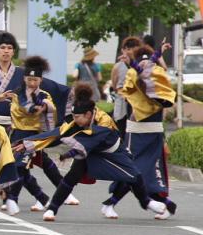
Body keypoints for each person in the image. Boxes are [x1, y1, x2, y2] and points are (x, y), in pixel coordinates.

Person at [14, 84, 166, 222]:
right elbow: (57, 133)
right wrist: (28, 143)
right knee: (71, 177)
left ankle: (146, 202)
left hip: (112, 153)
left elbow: (90, 141)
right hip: (88, 150)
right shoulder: (79, 120)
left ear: (88, 114)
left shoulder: (103, 122)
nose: (74, 120)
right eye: (73, 117)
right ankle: (52, 209)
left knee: (134, 176)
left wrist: (68, 155)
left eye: (77, 117)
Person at [103, 43, 177, 220]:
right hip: (136, 133)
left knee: (153, 171)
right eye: (140, 62)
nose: (144, 65)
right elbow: (127, 90)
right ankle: (111, 202)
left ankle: (166, 204)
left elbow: (166, 98)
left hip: (155, 132)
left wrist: (160, 52)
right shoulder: (132, 75)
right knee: (132, 170)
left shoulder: (158, 74)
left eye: (147, 62)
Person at [0, 56, 79, 214]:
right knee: (23, 167)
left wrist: (47, 106)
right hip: (16, 134)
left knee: (21, 167)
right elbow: (24, 107)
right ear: (24, 78)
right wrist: (36, 108)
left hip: (34, 137)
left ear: (40, 80)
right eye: (29, 79)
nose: (32, 83)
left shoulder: (44, 95)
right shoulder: (17, 93)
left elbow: (52, 110)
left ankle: (13, 198)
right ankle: (43, 198)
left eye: (35, 80)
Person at [110, 36, 142, 137]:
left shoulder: (140, 64)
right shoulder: (118, 66)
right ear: (122, 50)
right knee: (122, 131)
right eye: (127, 49)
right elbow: (115, 86)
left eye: (132, 49)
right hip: (123, 103)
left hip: (135, 104)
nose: (129, 51)